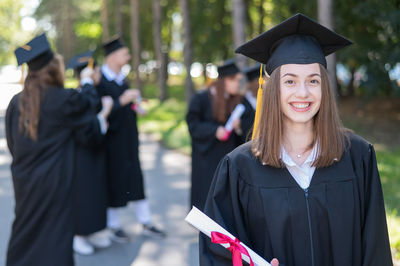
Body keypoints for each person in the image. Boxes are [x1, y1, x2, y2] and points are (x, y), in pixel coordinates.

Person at [199, 14, 393, 266]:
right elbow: (219, 252)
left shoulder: (358, 157)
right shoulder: (239, 167)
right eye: (290, 81)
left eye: (313, 80)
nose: (303, 92)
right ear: (272, 89)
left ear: (324, 86)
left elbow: (375, 248)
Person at [6, 34, 113, 266]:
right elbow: (89, 106)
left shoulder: (16, 102)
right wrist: (86, 82)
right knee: (54, 241)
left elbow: (13, 145)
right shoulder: (64, 100)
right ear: (55, 70)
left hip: (25, 183)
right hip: (55, 186)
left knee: (25, 232)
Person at [96, 36, 166, 242]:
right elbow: (99, 110)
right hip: (111, 141)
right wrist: (121, 100)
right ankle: (114, 225)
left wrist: (135, 106)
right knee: (114, 180)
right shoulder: (100, 80)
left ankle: (145, 221)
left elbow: (125, 106)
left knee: (136, 178)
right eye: (123, 53)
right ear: (112, 56)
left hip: (129, 139)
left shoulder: (121, 78)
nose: (127, 56)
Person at [66, 51, 112, 255]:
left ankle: (91, 231)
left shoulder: (87, 91)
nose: (99, 72)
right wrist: (104, 114)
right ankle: (78, 236)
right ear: (88, 72)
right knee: (83, 194)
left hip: (93, 152)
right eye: (96, 69)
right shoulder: (80, 94)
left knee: (95, 192)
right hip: (81, 154)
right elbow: (88, 124)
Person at [186, 60, 243, 211]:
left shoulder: (234, 100)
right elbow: (193, 125)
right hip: (207, 157)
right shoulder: (201, 98)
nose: (238, 84)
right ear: (226, 80)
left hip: (226, 155)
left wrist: (237, 128)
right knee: (206, 192)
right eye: (236, 80)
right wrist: (214, 131)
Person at [239, 64, 261, 143]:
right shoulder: (242, 101)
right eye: (257, 82)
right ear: (250, 84)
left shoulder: (267, 99)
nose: (260, 85)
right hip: (248, 142)